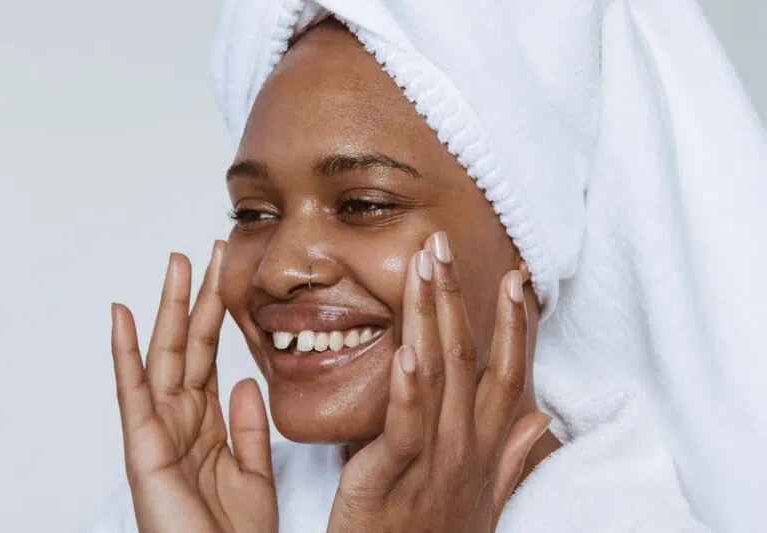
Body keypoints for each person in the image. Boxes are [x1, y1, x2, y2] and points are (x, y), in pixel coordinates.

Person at [88, 1, 767, 532]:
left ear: (527, 251)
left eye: (362, 203)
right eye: (253, 213)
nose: (277, 268)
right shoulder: (184, 512)